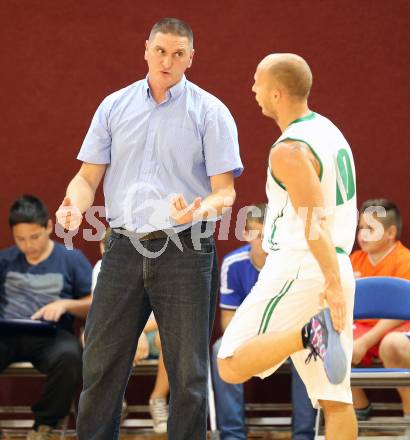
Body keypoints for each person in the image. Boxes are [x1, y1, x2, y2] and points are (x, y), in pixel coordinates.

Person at [56, 17, 242, 440]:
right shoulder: (114, 106)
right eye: (161, 50)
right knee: (101, 364)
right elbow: (87, 178)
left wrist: (200, 209)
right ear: (146, 50)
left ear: (191, 58)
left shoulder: (211, 112)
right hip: (121, 248)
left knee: (188, 374)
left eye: (178, 53)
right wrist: (74, 206)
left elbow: (225, 192)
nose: (168, 60)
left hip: (186, 251)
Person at [217, 53, 358, 440]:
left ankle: (308, 333)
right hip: (334, 266)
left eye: (257, 82)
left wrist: (327, 279)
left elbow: (313, 223)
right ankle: (313, 330)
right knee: (336, 402)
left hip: (304, 266)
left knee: (228, 362)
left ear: (276, 93)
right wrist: (334, 279)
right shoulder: (328, 130)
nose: (252, 89)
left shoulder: (289, 150)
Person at [211, 203, 317, 440]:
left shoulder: (293, 263)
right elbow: (228, 322)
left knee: (308, 348)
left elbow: (305, 314)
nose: (266, 243)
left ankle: (303, 434)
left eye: (271, 235)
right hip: (251, 336)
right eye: (260, 236)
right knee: (221, 349)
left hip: (289, 335)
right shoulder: (233, 264)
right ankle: (232, 435)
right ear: (247, 234)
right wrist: (257, 338)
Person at [0, 195, 92, 440]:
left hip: (50, 336)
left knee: (71, 356)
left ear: (49, 227)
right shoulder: (5, 260)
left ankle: (44, 425)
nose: (28, 245)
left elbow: (94, 303)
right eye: (20, 239)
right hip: (7, 334)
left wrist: (65, 304)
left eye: (34, 237)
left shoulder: (71, 259)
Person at [350, 198, 410, 424]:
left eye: (370, 229)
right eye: (360, 228)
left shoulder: (407, 263)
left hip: (402, 327)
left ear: (390, 232)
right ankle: (360, 407)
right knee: (327, 343)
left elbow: (399, 315)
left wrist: (365, 342)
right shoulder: (353, 261)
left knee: (392, 344)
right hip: (364, 327)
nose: (362, 235)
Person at [90, 229, 170, 434]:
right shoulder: (101, 269)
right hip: (117, 332)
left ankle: (158, 398)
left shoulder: (156, 265)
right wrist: (132, 334)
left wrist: (138, 331)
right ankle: (114, 401)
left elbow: (165, 315)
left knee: (170, 338)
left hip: (152, 331)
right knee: (89, 339)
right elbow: (103, 315)